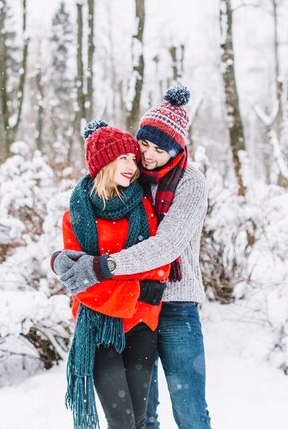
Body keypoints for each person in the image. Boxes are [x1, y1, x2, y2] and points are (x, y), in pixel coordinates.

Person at [54, 85, 212, 429]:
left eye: (160, 149)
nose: (149, 156)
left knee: (189, 409)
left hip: (176, 305)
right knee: (142, 415)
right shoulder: (133, 177)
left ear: (177, 149)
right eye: (144, 145)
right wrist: (62, 259)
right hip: (131, 308)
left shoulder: (189, 183)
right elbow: (100, 194)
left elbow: (165, 246)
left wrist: (104, 267)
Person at [51, 121, 170, 429]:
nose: (133, 166)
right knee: (121, 421)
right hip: (99, 330)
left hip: (142, 324)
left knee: (141, 420)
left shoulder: (144, 209)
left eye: (133, 158)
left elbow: (156, 266)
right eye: (123, 158)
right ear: (104, 162)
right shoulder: (75, 217)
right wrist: (135, 291)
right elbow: (81, 284)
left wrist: (104, 273)